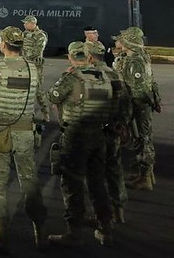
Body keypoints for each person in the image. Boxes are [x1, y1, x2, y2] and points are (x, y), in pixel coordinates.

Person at [0, 26, 47, 251]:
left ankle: (0, 234)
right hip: (26, 132)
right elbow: (36, 93)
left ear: (3, 44)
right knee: (30, 182)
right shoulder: (33, 68)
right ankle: (41, 231)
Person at [46, 41, 115, 246]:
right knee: (97, 184)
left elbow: (52, 96)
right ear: (89, 57)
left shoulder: (72, 78)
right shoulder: (104, 77)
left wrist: (65, 77)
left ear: (70, 57)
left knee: (72, 185)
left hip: (76, 138)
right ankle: (106, 228)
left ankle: (73, 232)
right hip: (98, 136)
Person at [86, 39, 131, 225]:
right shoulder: (115, 75)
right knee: (114, 171)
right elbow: (126, 104)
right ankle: (118, 210)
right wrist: (122, 124)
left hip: (94, 133)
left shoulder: (89, 76)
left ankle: (101, 215)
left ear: (89, 56)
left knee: (95, 175)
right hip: (113, 131)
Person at [113, 27, 161, 191]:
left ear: (129, 42)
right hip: (139, 105)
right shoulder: (135, 57)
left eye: (122, 39)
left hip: (137, 106)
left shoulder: (135, 61)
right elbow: (151, 81)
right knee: (142, 138)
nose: (118, 41)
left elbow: (137, 90)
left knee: (143, 139)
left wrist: (126, 114)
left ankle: (146, 177)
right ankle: (145, 174)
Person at [22, 15, 50, 120]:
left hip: (35, 67)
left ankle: (45, 112)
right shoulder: (24, 34)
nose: (24, 25)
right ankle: (29, 113)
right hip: (24, 66)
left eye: (26, 23)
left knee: (38, 91)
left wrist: (26, 58)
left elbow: (38, 51)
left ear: (32, 23)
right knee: (24, 90)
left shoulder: (40, 35)